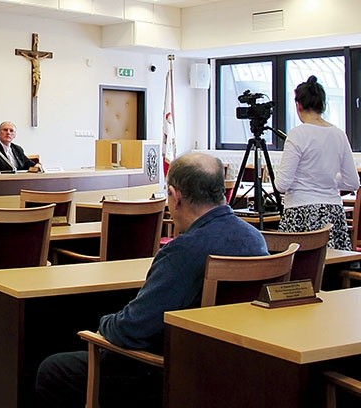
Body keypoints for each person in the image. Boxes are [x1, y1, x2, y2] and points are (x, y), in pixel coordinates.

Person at [35, 152, 269, 408]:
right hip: (238, 367)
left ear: (174, 195)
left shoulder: (184, 250)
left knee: (53, 369)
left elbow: (132, 331)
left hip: (172, 371)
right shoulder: (254, 238)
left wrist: (102, 326)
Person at [275, 75, 359, 250]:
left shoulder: (298, 134)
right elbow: (353, 182)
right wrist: (329, 179)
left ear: (298, 105)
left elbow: (282, 184)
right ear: (323, 105)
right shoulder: (339, 134)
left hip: (301, 210)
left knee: (303, 270)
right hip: (333, 212)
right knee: (331, 271)